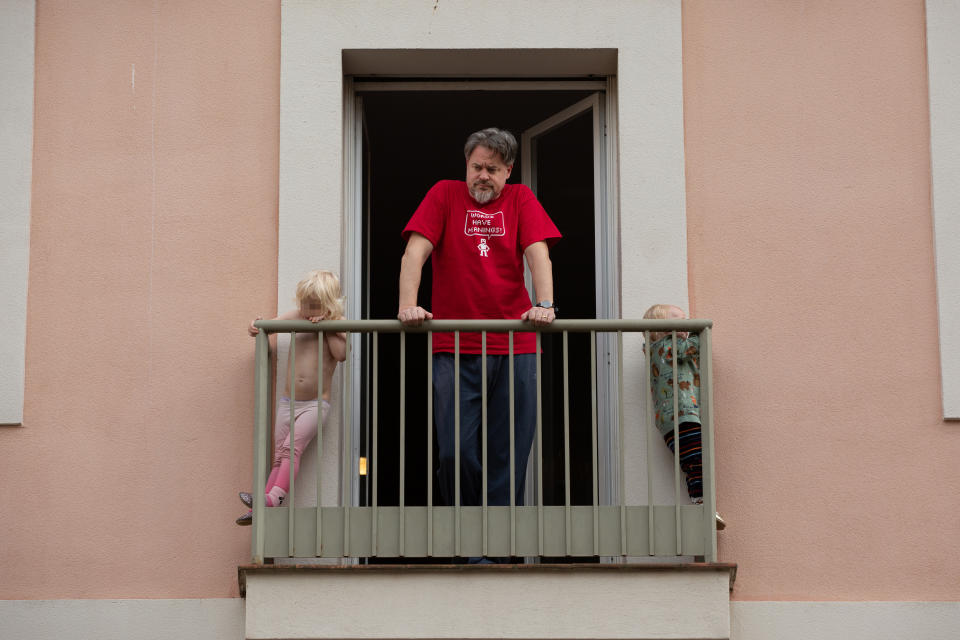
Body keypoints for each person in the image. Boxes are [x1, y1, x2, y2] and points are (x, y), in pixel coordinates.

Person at [398, 127, 561, 516]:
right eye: (476, 167)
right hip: (455, 346)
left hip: (514, 345)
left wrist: (545, 304)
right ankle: (468, 534)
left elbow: (539, 256)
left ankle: (498, 546)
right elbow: (413, 254)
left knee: (510, 451)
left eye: (491, 168)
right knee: (455, 451)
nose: (482, 175)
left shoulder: (521, 198)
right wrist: (408, 306)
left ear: (508, 170)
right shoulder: (444, 194)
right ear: (466, 166)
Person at [236, 270, 347, 525]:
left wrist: (328, 326)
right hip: (288, 402)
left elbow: (341, 355)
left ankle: (272, 499)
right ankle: (263, 504)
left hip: (315, 405)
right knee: (279, 454)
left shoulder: (337, 324)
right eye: (305, 303)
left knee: (290, 449)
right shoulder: (299, 316)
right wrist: (257, 325)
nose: (307, 310)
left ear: (328, 304)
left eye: (314, 305)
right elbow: (271, 324)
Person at [643, 304, 725, 529]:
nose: (687, 326)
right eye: (680, 321)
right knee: (697, 459)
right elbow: (693, 347)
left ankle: (701, 504)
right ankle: (702, 506)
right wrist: (702, 329)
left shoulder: (662, 350)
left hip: (677, 418)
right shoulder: (666, 346)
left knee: (694, 461)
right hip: (681, 416)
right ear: (661, 327)